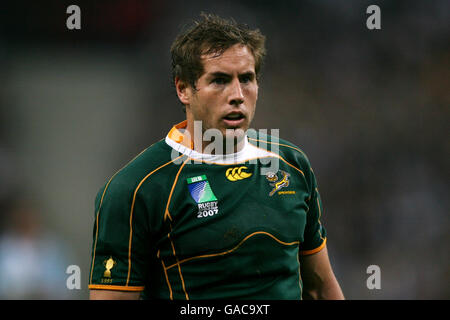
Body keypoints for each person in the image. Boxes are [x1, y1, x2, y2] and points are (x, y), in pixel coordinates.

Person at [89, 13, 344, 300]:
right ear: (183, 88)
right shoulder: (136, 189)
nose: (237, 94)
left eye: (246, 79)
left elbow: (320, 288)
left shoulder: (291, 165)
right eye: (220, 80)